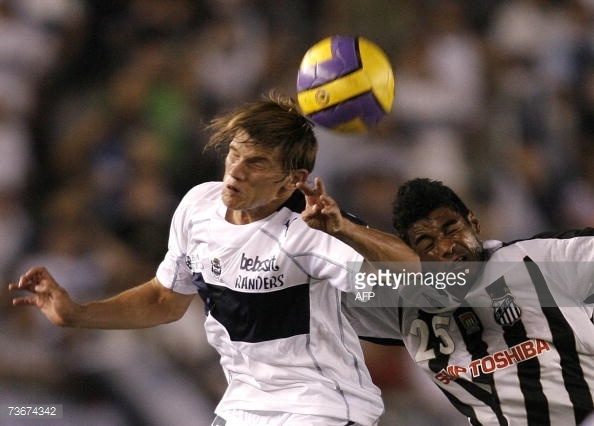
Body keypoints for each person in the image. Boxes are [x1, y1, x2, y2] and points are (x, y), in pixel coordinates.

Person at [8, 92, 411, 426]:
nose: (235, 171)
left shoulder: (311, 230)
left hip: (319, 407)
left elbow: (412, 277)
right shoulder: (198, 206)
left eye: (256, 163)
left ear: (291, 180)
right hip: (241, 409)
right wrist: (76, 313)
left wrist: (348, 230)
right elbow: (164, 300)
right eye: (234, 154)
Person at [298, 176, 594, 426]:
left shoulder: (541, 260)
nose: (446, 248)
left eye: (452, 230)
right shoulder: (400, 305)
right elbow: (317, 291)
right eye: (426, 243)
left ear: (474, 223)